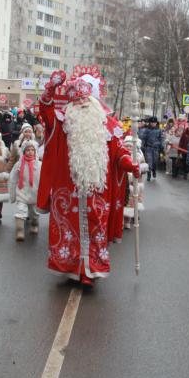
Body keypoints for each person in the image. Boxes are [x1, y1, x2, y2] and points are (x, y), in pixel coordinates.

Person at [37, 71, 139, 287]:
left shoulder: (107, 125)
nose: (82, 103)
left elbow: (119, 152)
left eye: (86, 98)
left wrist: (132, 165)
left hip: (97, 192)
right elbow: (45, 110)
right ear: (71, 104)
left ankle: (89, 271)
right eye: (78, 99)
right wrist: (50, 89)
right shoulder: (62, 123)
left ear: (93, 100)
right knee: (67, 231)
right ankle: (71, 267)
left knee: (96, 229)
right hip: (68, 190)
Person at [8, 139, 42, 241]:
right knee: (20, 211)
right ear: (23, 151)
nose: (30, 152)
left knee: (34, 213)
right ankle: (20, 231)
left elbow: (45, 179)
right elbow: (13, 179)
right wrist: (12, 194)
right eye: (28, 150)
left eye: (32, 150)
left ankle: (34, 224)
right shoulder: (19, 164)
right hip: (22, 192)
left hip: (35, 193)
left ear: (35, 151)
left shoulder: (40, 165)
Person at [122, 135, 147, 231]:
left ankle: (135, 216)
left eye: (130, 146)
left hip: (137, 183)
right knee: (128, 203)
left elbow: (144, 165)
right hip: (127, 184)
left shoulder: (139, 155)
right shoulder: (124, 155)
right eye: (127, 146)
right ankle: (126, 220)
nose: (128, 148)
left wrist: (140, 169)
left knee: (137, 201)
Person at [139, 116, 163, 181]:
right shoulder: (147, 130)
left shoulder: (159, 130)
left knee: (155, 162)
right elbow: (143, 139)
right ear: (150, 123)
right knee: (149, 162)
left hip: (156, 148)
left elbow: (161, 139)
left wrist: (161, 146)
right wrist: (142, 146)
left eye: (154, 122)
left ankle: (154, 170)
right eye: (151, 122)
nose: (153, 124)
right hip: (148, 148)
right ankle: (149, 174)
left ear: (156, 123)